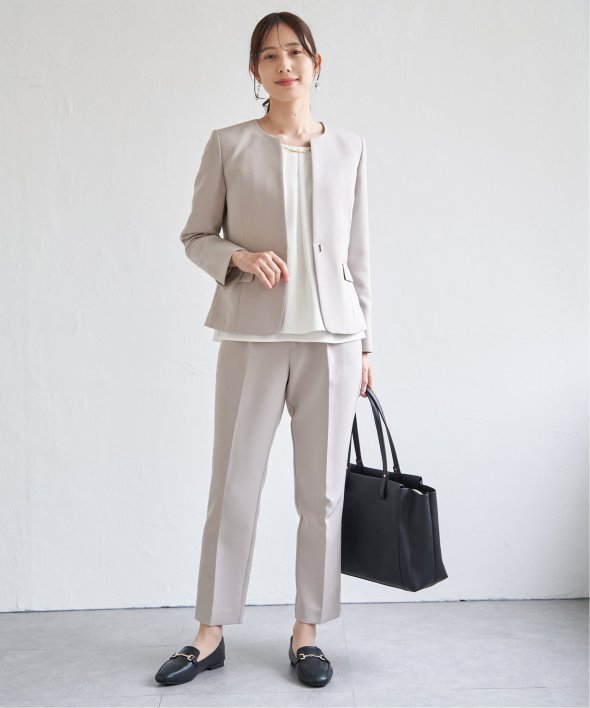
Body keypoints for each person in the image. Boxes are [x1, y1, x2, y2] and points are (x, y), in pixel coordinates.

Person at [155, 10, 374, 689]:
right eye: (270, 55)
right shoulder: (230, 145)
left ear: (316, 63)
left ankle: (308, 632)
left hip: (333, 342)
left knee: (322, 497)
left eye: (295, 52)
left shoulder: (350, 149)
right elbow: (195, 236)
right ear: (255, 71)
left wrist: (366, 344)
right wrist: (241, 257)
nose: (285, 65)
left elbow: (358, 257)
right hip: (253, 338)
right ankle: (210, 632)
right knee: (234, 489)